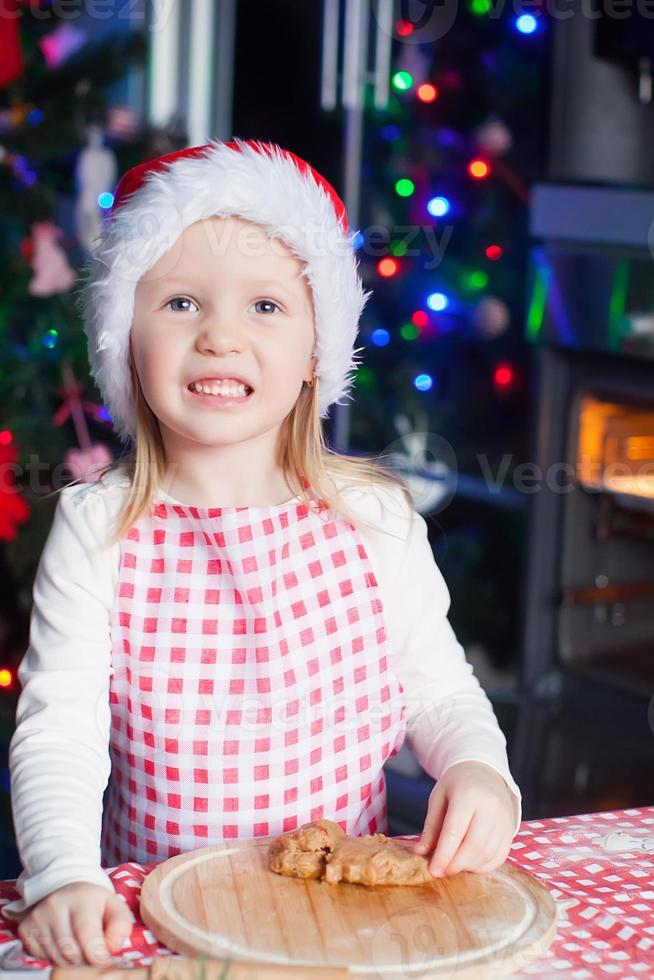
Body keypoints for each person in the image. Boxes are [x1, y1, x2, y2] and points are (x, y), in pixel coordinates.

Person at [4, 139, 522, 967]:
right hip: (161, 925)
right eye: (179, 303)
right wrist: (65, 873)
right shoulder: (99, 528)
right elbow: (60, 729)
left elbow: (436, 690)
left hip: (337, 926)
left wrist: (479, 769)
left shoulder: (374, 518)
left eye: (266, 307)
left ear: (319, 350)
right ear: (123, 339)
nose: (219, 336)